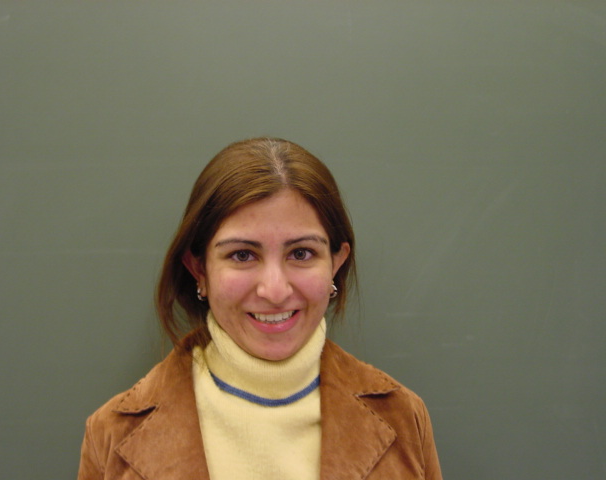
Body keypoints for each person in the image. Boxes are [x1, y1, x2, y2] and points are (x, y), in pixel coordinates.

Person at [77, 137, 442, 480]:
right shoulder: (111, 434)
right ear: (199, 270)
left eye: (301, 253)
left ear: (336, 263)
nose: (275, 291)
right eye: (242, 255)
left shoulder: (404, 418)